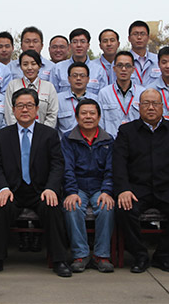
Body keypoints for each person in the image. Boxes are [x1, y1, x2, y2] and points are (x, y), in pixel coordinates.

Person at [0, 88, 73, 278]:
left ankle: (59, 260)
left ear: (37, 109)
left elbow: (57, 165)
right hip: (12, 190)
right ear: (13, 109)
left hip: (40, 190)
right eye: (20, 105)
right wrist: (3, 188)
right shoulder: (3, 135)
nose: (24, 109)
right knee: (1, 207)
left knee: (53, 207)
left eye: (29, 105)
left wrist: (51, 188)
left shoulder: (49, 134)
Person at [113, 88, 169, 274]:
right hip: (138, 190)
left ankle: (163, 255)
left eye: (155, 103)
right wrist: (124, 189)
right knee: (123, 210)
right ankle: (140, 255)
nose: (150, 107)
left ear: (162, 106)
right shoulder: (126, 131)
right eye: (146, 103)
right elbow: (119, 164)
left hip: (168, 190)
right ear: (139, 107)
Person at [61, 99, 115, 273]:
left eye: (92, 113)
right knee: (72, 207)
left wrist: (107, 190)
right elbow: (67, 168)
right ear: (77, 117)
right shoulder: (68, 139)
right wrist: (71, 191)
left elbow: (111, 169)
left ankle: (101, 255)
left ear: (99, 117)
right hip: (78, 186)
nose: (88, 117)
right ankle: (80, 255)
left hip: (100, 186)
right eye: (83, 113)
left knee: (106, 207)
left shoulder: (108, 140)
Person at [4, 50, 59, 128]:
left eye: (33, 64)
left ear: (39, 66)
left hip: (43, 133)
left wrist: (43, 132)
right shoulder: (13, 85)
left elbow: (52, 114)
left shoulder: (49, 87)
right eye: (25, 64)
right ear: (20, 67)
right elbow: (9, 112)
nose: (29, 68)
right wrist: (18, 131)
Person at [97, 51, 144, 138]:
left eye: (128, 66)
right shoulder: (104, 93)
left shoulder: (142, 93)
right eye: (120, 65)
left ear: (133, 69)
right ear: (114, 68)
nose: (123, 69)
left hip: (136, 141)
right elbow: (100, 123)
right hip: (112, 141)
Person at [49, 28, 107, 96]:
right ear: (70, 46)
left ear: (88, 46)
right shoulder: (57, 69)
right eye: (75, 42)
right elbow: (52, 95)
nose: (79, 45)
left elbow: (103, 97)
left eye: (82, 42)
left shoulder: (99, 70)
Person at [56, 62, 92, 135]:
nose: (78, 78)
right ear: (69, 79)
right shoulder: (58, 99)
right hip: (65, 141)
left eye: (82, 76)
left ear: (88, 79)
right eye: (75, 76)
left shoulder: (95, 99)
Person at [128, 20, 160, 87]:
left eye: (142, 34)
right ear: (129, 38)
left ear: (148, 38)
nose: (139, 37)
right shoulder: (120, 61)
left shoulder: (158, 60)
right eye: (135, 34)